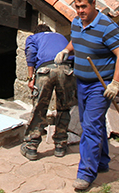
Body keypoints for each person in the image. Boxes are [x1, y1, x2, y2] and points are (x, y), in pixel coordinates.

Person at [54, 0, 119, 191]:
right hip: (82, 82)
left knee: (90, 127)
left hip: (100, 85)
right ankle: (102, 162)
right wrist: (66, 50)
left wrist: (116, 83)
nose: (80, 11)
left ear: (94, 4)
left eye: (84, 6)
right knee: (93, 124)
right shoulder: (76, 22)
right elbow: (77, 40)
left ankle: (85, 174)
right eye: (77, 7)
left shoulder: (107, 27)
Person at [21, 23, 76, 160]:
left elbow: (31, 54)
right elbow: (72, 55)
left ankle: (31, 147)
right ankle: (60, 145)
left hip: (45, 70)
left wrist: (30, 77)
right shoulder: (61, 37)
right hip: (66, 69)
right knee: (64, 108)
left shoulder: (33, 38)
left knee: (40, 108)